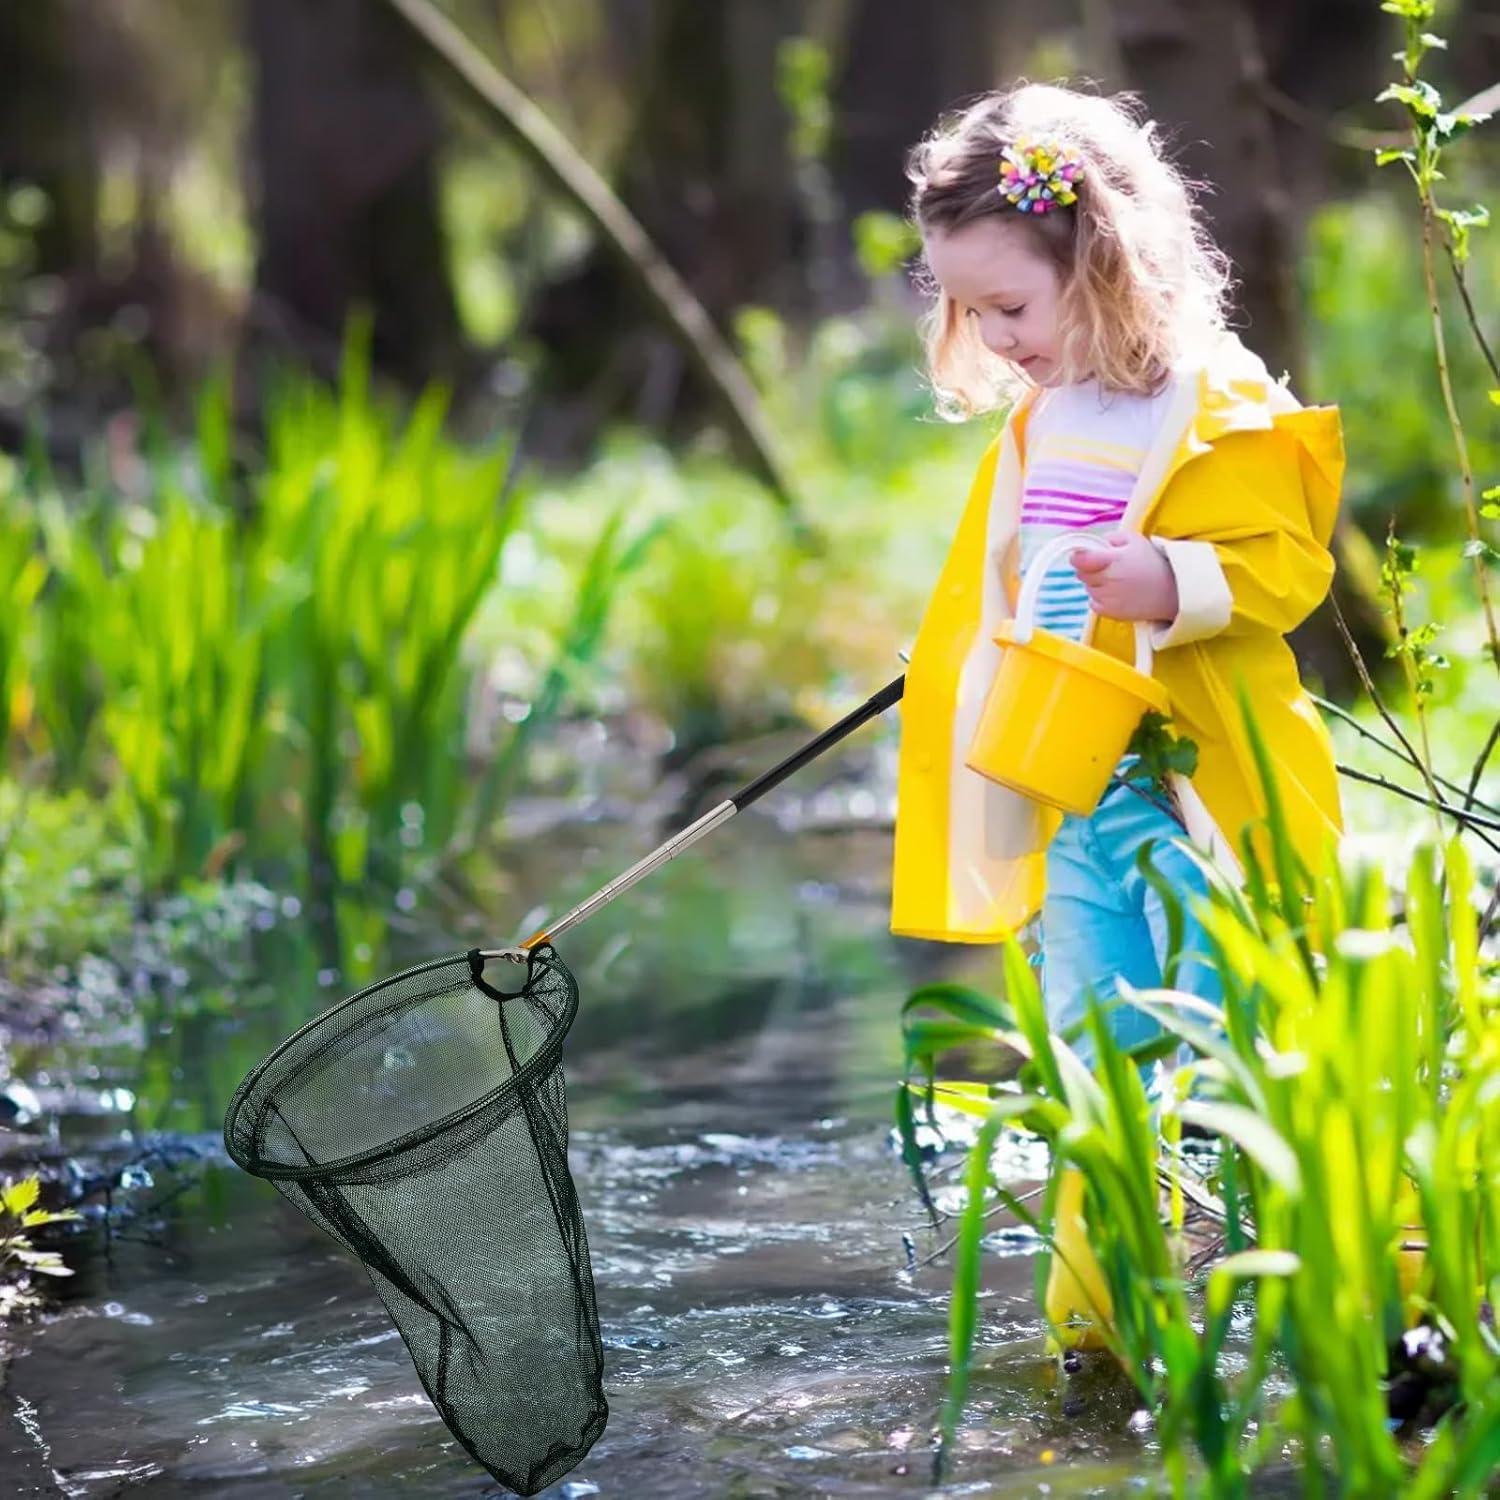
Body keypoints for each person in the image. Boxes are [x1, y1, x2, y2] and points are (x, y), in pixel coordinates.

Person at [890, 82, 1345, 1068]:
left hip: (1190, 781)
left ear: (1102, 261)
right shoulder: (1040, 421)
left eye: (1009, 306)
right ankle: (1129, 1207)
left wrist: (1174, 582)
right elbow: (1017, 578)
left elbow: (1289, 567)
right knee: (1096, 1019)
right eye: (973, 316)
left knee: (1218, 1002)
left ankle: (1234, 1201)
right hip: (1076, 788)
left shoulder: (1206, 398)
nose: (999, 341)